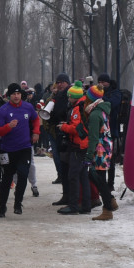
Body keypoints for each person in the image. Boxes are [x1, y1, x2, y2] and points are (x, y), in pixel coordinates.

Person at [0, 82, 40, 217]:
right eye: (13, 94)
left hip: (24, 147)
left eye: (18, 93)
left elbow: (36, 120)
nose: (16, 96)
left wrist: (36, 132)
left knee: (23, 174)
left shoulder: (27, 107)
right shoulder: (3, 110)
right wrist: (8, 126)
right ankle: (2, 207)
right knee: (7, 179)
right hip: (8, 149)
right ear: (9, 96)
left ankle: (18, 203)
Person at [56, 81, 91, 215]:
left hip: (78, 145)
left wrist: (63, 127)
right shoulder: (83, 105)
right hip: (83, 144)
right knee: (83, 176)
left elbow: (76, 129)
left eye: (70, 96)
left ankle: (73, 206)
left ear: (74, 97)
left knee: (73, 175)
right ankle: (86, 205)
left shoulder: (77, 108)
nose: (68, 99)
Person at [85, 84, 116, 221]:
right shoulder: (103, 110)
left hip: (99, 150)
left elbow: (93, 137)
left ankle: (108, 206)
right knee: (98, 177)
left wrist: (88, 155)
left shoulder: (94, 114)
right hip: (106, 147)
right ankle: (109, 204)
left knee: (97, 177)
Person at [97, 74, 123, 188]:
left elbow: (112, 104)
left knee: (110, 158)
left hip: (112, 129)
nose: (101, 84)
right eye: (99, 82)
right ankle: (100, 181)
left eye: (104, 82)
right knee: (100, 155)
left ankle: (110, 183)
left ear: (108, 82)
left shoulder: (115, 93)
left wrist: (101, 98)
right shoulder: (100, 92)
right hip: (100, 129)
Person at [47, 73, 71, 190]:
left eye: (62, 82)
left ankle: (70, 194)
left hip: (67, 132)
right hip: (58, 130)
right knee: (60, 159)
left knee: (66, 163)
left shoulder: (69, 94)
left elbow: (62, 112)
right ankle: (66, 192)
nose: (60, 84)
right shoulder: (58, 95)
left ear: (67, 82)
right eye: (58, 82)